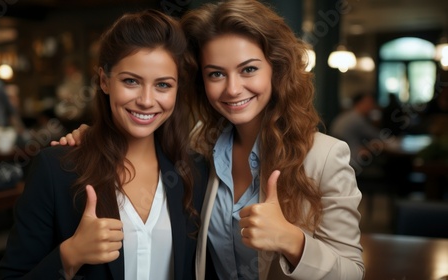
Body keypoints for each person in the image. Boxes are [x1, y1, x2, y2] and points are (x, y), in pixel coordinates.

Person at [54, 1, 365, 279]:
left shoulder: (324, 156)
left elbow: (351, 271)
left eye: (249, 69)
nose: (232, 89)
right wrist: (92, 137)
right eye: (216, 74)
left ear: (277, 69)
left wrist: (291, 241)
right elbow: (141, 126)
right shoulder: (199, 148)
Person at [0, 9, 209, 280]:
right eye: (131, 81)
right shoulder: (55, 170)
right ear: (104, 80)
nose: (146, 100)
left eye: (163, 85)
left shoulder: (195, 171)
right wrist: (69, 256)